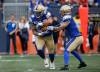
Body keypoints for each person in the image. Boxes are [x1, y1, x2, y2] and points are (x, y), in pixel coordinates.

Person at [47, 5, 87, 70]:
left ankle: (66, 66)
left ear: (65, 11)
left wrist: (53, 28)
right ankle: (82, 62)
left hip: (76, 37)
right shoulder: (67, 17)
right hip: (77, 37)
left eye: (62, 11)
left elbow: (63, 26)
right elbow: (60, 26)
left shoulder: (67, 17)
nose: (61, 12)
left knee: (66, 50)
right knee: (72, 50)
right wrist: (53, 28)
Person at [29, 4, 56, 69]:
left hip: (49, 35)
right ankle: (45, 59)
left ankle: (52, 63)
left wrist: (41, 24)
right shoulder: (33, 17)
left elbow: (50, 21)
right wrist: (38, 34)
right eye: (36, 12)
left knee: (51, 51)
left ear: (42, 12)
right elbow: (33, 30)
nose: (36, 13)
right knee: (39, 50)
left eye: (38, 12)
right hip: (40, 36)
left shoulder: (47, 14)